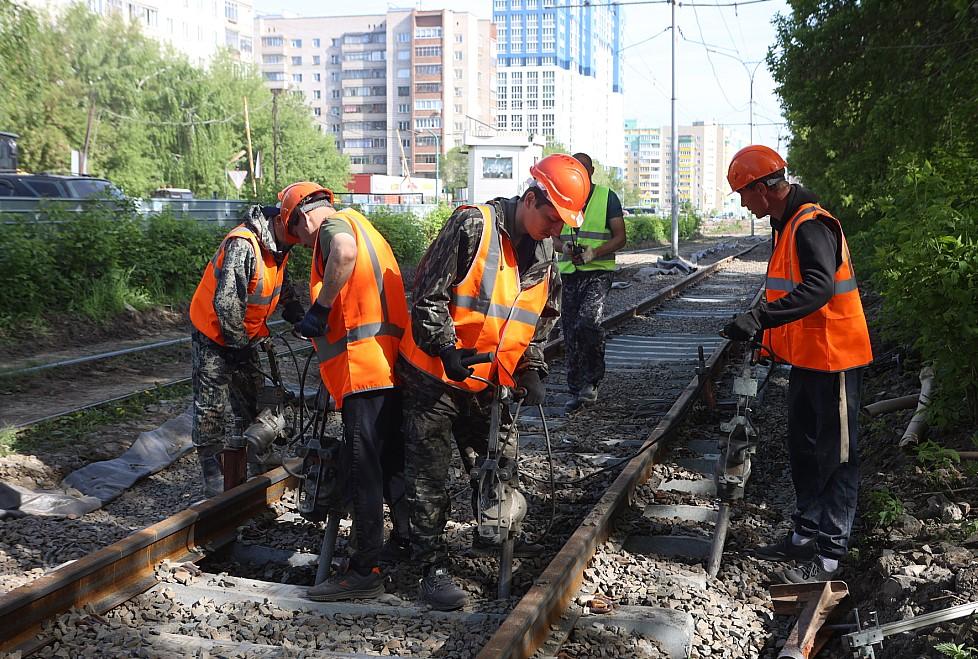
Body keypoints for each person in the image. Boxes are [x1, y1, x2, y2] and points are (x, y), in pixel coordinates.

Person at [397, 153, 591, 611]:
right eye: (552, 218)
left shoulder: (545, 256)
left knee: (500, 467)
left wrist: (533, 367)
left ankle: (499, 540)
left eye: (564, 223)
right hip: (434, 380)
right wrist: (446, 347)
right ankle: (431, 568)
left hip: (490, 385)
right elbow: (427, 295)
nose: (557, 230)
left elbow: (540, 319)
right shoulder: (472, 226)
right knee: (429, 480)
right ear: (530, 199)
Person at [722, 145, 873, 584]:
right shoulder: (785, 222)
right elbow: (787, 293)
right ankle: (805, 533)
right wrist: (765, 339)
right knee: (804, 448)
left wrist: (760, 318)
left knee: (838, 455)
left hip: (837, 359)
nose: (743, 203)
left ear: (764, 189)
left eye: (742, 194)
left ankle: (830, 552)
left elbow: (819, 288)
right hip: (809, 359)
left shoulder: (811, 225)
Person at [265, 182, 412, 602]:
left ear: (303, 216)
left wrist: (321, 308)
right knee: (390, 463)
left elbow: (342, 255)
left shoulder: (332, 228)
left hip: (363, 370)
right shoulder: (367, 226)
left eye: (298, 232)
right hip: (387, 366)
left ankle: (365, 570)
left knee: (364, 471)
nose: (302, 240)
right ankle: (405, 541)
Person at [189, 204, 305, 498]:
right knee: (211, 406)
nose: (298, 238)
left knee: (252, 400)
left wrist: (293, 308)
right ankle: (214, 473)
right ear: (279, 221)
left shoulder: (279, 245)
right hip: (215, 336)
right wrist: (236, 346)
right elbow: (227, 302)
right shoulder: (243, 244)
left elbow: (278, 279)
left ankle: (253, 457)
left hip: (245, 335)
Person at [553, 152, 627, 413]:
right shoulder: (561, 198)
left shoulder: (607, 197)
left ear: (591, 172)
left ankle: (592, 380)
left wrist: (594, 252)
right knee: (570, 329)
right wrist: (565, 248)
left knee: (588, 321)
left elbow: (620, 237)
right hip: (570, 273)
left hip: (598, 271)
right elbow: (552, 236)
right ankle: (576, 388)